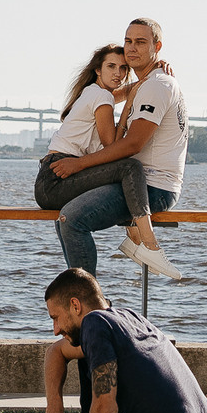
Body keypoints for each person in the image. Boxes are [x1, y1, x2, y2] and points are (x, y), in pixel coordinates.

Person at [24, 266, 207, 413]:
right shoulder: (127, 317)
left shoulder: (94, 324)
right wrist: (54, 410)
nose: (55, 330)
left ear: (75, 305)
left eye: (56, 318)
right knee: (83, 351)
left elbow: (105, 406)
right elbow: (56, 352)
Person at [48, 19, 185, 279]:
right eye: (128, 41)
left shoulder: (157, 85)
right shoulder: (147, 84)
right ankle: (131, 243)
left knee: (72, 219)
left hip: (153, 188)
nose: (132, 48)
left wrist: (78, 164)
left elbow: (132, 144)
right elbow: (116, 94)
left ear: (157, 46)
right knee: (65, 218)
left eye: (141, 42)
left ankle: (88, 300)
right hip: (136, 184)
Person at [34, 44, 164, 270]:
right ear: (97, 70)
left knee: (117, 174)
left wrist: (153, 75)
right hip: (58, 177)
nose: (118, 73)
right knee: (129, 167)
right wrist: (128, 108)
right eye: (111, 66)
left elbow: (124, 91)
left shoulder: (92, 92)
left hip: (52, 177)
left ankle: (133, 235)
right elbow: (112, 145)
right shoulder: (101, 97)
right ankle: (148, 243)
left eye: (123, 68)